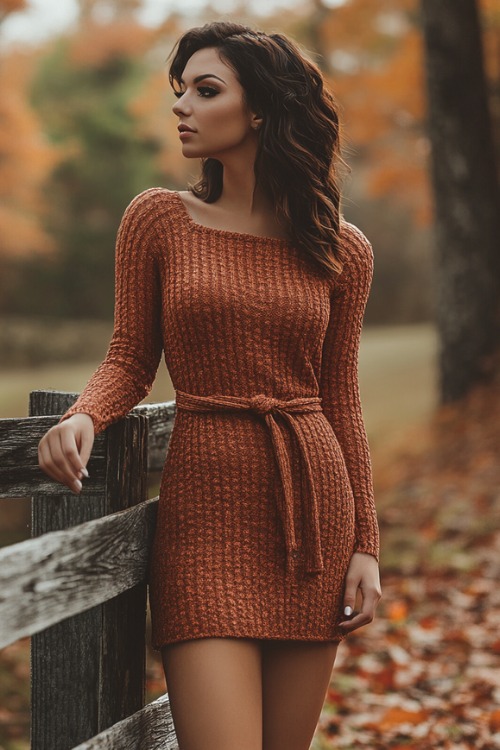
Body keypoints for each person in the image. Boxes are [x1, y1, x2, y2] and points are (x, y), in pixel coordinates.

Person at [38, 20, 382, 750]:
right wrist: (85, 417)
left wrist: (367, 549)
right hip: (206, 523)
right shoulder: (159, 220)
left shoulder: (339, 249)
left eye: (205, 89)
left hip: (313, 520)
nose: (182, 106)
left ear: (258, 108)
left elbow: (342, 402)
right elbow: (130, 358)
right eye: (180, 91)